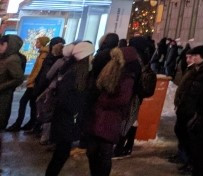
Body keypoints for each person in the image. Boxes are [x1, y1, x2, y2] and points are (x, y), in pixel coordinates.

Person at [87, 46, 140, 176]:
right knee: (92, 151)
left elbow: (123, 99)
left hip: (111, 117)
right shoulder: (110, 70)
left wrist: (103, 102)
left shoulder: (127, 78)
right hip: (99, 115)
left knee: (104, 152)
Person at [46, 41, 95, 176]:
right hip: (66, 119)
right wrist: (76, 111)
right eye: (91, 55)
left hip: (67, 119)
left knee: (61, 153)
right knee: (60, 154)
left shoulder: (78, 72)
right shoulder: (74, 74)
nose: (93, 58)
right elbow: (65, 98)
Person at [172, 45, 203, 171]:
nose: (193, 58)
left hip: (195, 109)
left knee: (192, 138)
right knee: (181, 132)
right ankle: (185, 158)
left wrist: (201, 110)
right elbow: (185, 87)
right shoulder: (195, 69)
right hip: (185, 107)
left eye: (195, 55)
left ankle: (193, 164)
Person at [8, 35, 50, 131]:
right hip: (34, 83)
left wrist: (29, 81)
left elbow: (37, 71)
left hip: (34, 84)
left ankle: (20, 123)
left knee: (24, 102)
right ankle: (30, 123)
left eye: (38, 42)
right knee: (31, 103)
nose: (36, 44)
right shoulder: (42, 54)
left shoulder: (43, 55)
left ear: (42, 43)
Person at [0, 34, 26, 144]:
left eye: (1, 45)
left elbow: (19, 78)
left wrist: (2, 87)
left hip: (3, 95)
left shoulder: (12, 59)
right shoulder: (6, 57)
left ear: (8, 45)